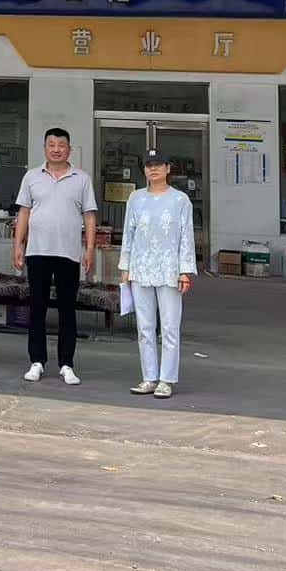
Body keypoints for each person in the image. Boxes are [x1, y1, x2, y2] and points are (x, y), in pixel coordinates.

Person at [13, 127, 98, 386]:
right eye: (51, 144)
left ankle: (66, 364)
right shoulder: (31, 177)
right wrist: (18, 245)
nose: (56, 149)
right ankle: (37, 361)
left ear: (69, 149)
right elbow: (24, 213)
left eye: (61, 145)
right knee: (36, 308)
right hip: (37, 251)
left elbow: (89, 216)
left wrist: (90, 249)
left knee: (67, 310)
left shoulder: (81, 179)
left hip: (68, 253)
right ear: (45, 148)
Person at [118, 149, 197, 400]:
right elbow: (128, 234)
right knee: (145, 327)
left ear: (168, 169)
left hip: (169, 270)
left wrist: (185, 271)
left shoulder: (180, 200)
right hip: (141, 268)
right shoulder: (135, 198)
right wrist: (125, 268)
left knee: (170, 327)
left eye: (158, 165)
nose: (153, 169)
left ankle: (166, 379)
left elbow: (187, 237)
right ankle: (149, 377)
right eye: (149, 165)